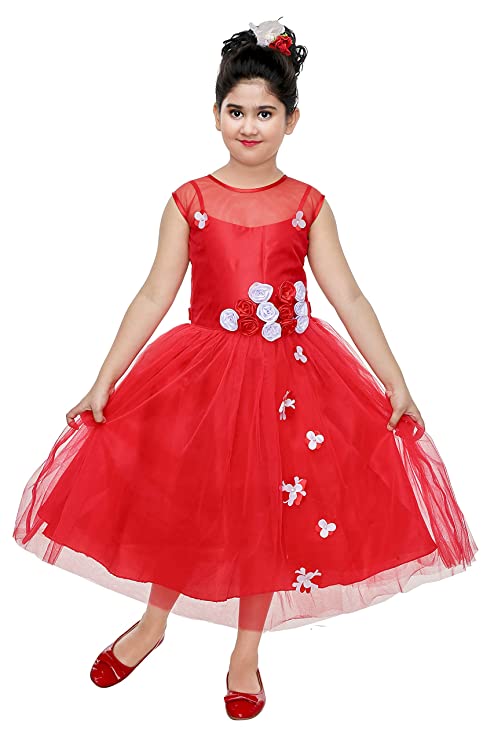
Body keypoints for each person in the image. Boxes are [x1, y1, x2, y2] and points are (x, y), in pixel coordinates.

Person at [12, 18, 478, 720]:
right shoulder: (189, 201)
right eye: (237, 111)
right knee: (183, 500)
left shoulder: (308, 205)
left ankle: (245, 651)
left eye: (266, 113)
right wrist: (103, 379)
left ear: (292, 120)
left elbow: (348, 296)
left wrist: (395, 380)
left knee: (266, 511)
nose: (249, 126)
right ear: (215, 115)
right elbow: (153, 294)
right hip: (200, 379)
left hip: (289, 386)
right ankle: (153, 623)